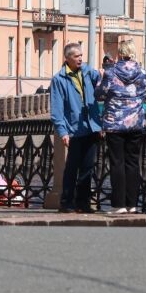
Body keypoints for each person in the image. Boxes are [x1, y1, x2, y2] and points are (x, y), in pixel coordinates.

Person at [96, 40, 146, 215]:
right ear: (133, 53)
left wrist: (100, 79)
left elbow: (100, 94)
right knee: (133, 163)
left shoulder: (111, 72)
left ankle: (118, 204)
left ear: (119, 53)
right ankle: (132, 204)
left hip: (115, 123)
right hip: (136, 123)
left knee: (117, 163)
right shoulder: (142, 72)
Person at [49, 42, 102, 214]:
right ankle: (67, 202)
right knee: (72, 167)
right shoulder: (59, 79)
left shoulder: (88, 72)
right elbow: (57, 109)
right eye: (76, 56)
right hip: (73, 128)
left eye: (81, 55)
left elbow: (102, 81)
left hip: (91, 126)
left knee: (88, 167)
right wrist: (62, 131)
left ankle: (84, 202)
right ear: (67, 58)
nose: (80, 59)